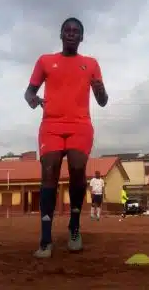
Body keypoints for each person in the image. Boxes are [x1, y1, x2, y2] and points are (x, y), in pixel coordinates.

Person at [25, 17, 109, 258]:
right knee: (49, 170)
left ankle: (74, 226)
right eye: (67, 30)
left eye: (76, 31)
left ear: (82, 37)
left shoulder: (91, 64)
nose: (71, 34)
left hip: (80, 125)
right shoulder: (45, 61)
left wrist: (100, 90)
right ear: (61, 35)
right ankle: (45, 237)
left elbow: (102, 101)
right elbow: (30, 91)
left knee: (76, 167)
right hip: (51, 124)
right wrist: (32, 100)